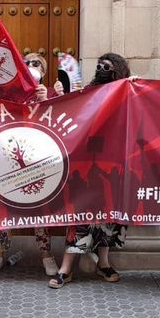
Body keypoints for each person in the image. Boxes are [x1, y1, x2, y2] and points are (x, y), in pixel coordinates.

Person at [49, 52, 130, 289]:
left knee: (110, 214)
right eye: (99, 65)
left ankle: (103, 263)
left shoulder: (127, 92)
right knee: (80, 214)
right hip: (86, 164)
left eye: (107, 66)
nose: (101, 68)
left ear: (117, 69)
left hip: (114, 164)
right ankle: (66, 267)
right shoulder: (87, 92)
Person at [0, 53, 59, 277]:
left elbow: (61, 121)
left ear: (43, 71)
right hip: (11, 160)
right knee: (5, 210)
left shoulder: (52, 94)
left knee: (42, 211)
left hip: (41, 161)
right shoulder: (10, 94)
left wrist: (48, 99)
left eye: (36, 64)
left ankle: (46, 255)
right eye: (26, 64)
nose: (31, 67)